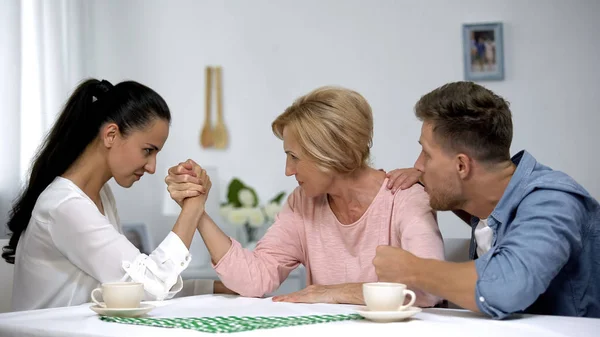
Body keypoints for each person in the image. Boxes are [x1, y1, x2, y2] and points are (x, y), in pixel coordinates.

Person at [165, 86, 444, 306]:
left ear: (332, 152)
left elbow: (428, 288)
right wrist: (197, 209)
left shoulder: (405, 198)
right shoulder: (302, 203)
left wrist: (334, 293)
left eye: (294, 157)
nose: (288, 171)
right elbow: (254, 278)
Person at [374, 81, 600, 319]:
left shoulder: (554, 201)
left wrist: (410, 269)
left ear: (462, 165)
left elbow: (504, 288)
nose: (418, 165)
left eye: (427, 155)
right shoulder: (491, 202)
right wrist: (429, 183)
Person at [2, 79, 228, 311]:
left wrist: (213, 288)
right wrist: (193, 206)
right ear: (111, 135)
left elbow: (126, 288)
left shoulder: (101, 195)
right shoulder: (65, 205)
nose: (152, 167)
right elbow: (146, 289)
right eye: (148, 150)